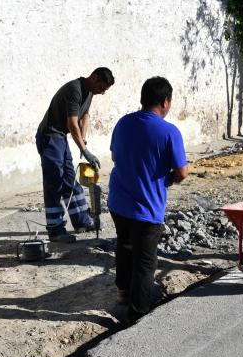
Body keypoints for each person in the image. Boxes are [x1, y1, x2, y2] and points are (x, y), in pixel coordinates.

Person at [108, 76, 188, 324]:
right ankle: (138, 312)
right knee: (145, 261)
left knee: (124, 244)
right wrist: (169, 178)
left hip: (118, 202)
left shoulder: (123, 123)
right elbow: (181, 172)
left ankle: (123, 291)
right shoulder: (169, 132)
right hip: (147, 207)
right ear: (165, 102)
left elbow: (115, 154)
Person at [36, 67, 114, 243]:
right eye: (102, 88)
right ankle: (55, 230)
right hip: (49, 136)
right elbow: (72, 123)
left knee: (70, 179)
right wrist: (85, 152)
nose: (102, 93)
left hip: (60, 137)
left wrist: (83, 142)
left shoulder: (90, 92)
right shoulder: (75, 89)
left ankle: (82, 221)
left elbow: (84, 116)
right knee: (54, 182)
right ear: (94, 78)